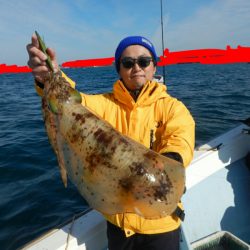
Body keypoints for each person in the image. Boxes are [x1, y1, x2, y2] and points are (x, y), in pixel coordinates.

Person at [27, 34, 195, 250]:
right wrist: (49, 77)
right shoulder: (104, 104)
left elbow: (180, 139)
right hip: (118, 224)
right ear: (119, 69)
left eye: (144, 61)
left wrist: (171, 159)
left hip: (161, 226)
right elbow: (72, 103)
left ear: (154, 67)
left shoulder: (173, 108)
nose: (137, 68)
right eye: (128, 63)